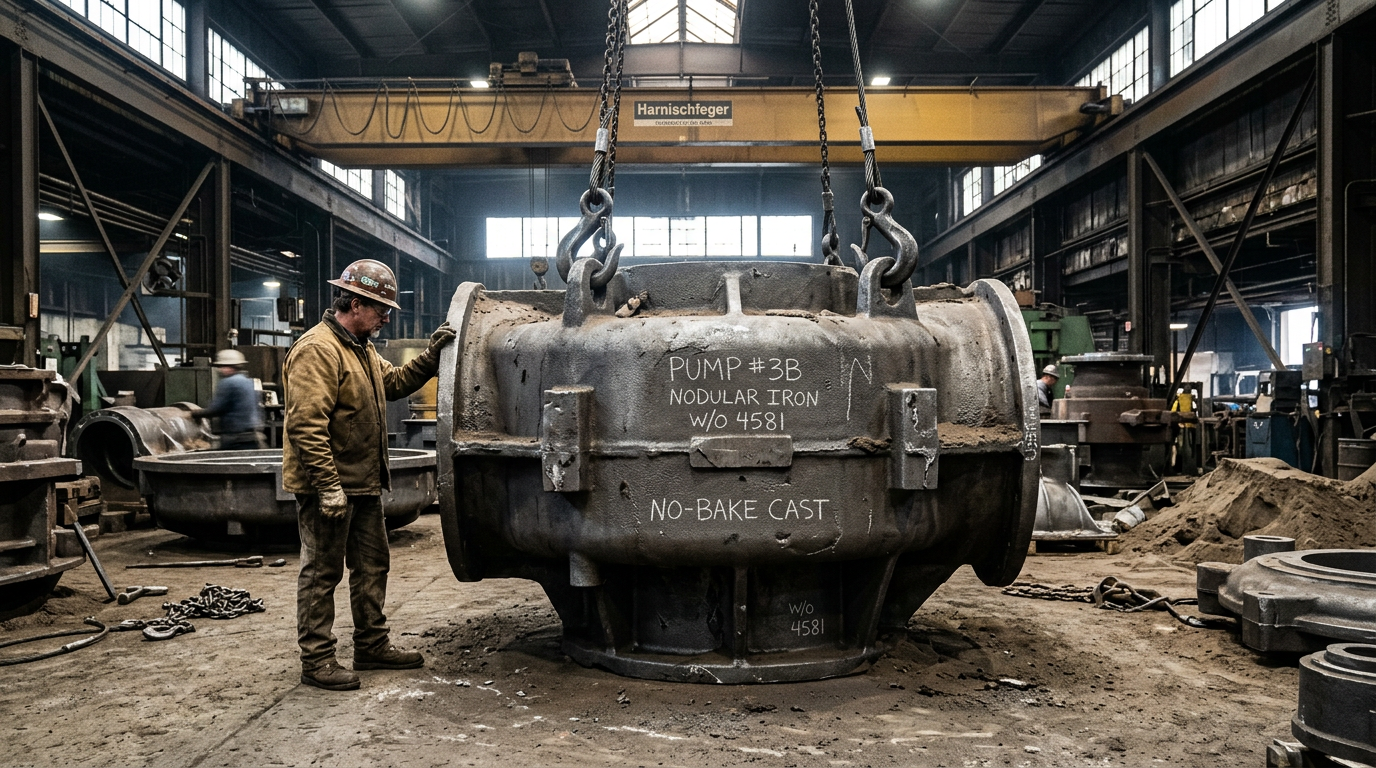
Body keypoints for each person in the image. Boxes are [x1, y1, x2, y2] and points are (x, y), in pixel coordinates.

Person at [282, 258, 455, 692]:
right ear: (354, 303)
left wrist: (432, 357)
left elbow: (394, 383)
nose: (386, 317)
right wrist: (327, 487)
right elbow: (306, 426)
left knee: (372, 565)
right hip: (330, 489)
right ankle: (318, 660)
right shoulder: (318, 349)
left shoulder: (359, 347)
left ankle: (371, 645)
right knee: (323, 573)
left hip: (360, 484)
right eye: (380, 309)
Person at [194, 349, 264, 450]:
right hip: (253, 436)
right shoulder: (248, 382)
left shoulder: (228, 383)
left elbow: (216, 409)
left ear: (230, 367)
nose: (220, 370)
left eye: (222, 366)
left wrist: (194, 414)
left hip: (235, 439)